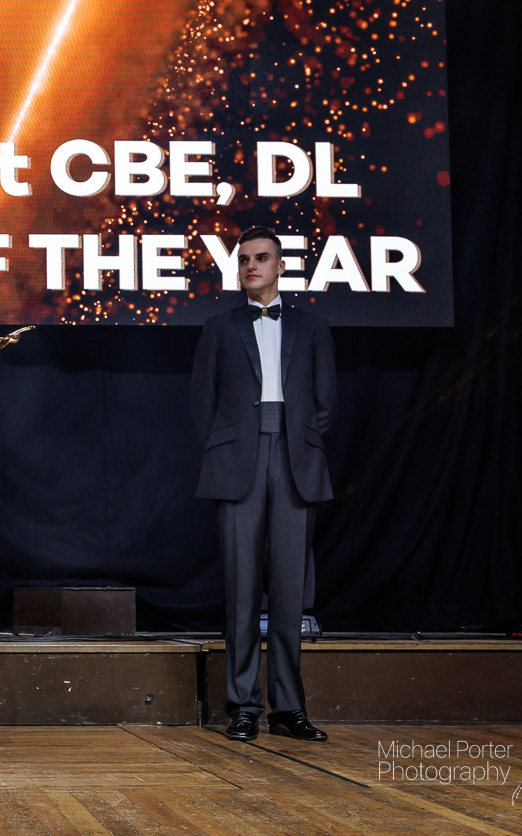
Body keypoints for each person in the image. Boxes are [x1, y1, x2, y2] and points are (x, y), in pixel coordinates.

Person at [191, 226, 335, 743]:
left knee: (291, 593)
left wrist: (297, 441)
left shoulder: (312, 327)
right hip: (239, 462)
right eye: (244, 259)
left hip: (295, 459)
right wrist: (230, 449)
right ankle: (244, 707)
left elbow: (326, 402)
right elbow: (202, 404)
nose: (251, 266)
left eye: (262, 258)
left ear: (280, 266)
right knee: (241, 590)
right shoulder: (219, 328)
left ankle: (289, 709)